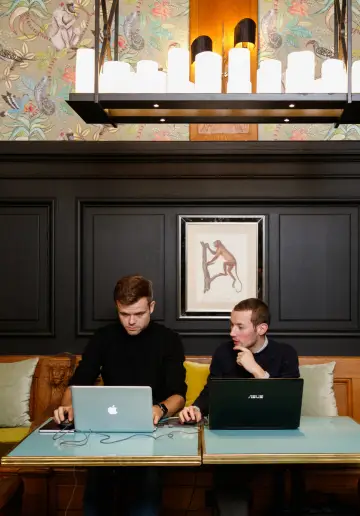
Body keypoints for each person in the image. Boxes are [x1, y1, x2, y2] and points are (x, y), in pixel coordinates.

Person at [54, 275, 187, 516]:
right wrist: (67, 407)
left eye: (138, 314)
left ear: (151, 307)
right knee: (97, 488)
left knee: (144, 490)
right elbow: (78, 382)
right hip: (105, 430)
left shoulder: (169, 340)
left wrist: (160, 409)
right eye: (125, 314)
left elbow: (179, 395)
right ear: (117, 307)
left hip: (152, 432)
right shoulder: (103, 338)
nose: (131, 321)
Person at [178, 297, 300, 516]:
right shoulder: (224, 353)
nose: (232, 332)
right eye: (231, 325)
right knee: (228, 472)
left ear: (261, 328)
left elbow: (286, 403)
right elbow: (211, 390)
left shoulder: (285, 353)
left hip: (276, 438)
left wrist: (256, 370)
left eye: (240, 327)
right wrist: (196, 408)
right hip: (231, 437)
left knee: (292, 469)